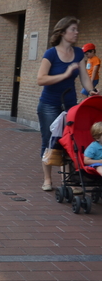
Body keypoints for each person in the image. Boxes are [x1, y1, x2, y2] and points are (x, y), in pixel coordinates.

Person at [37, 16, 99, 191]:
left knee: (71, 140)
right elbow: (41, 79)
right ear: (63, 32)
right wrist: (64, 75)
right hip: (49, 104)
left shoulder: (79, 53)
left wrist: (91, 90)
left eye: (76, 29)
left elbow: (84, 77)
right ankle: (47, 179)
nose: (76, 32)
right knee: (49, 141)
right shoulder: (50, 54)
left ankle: (69, 180)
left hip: (70, 104)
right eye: (73, 29)